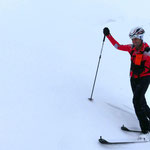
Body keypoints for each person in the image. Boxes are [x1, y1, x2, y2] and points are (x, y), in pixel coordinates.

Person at [103, 27, 150, 140]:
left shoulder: (147, 51)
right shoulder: (131, 48)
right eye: (132, 39)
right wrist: (108, 35)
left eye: (135, 39)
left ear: (140, 38)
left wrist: (142, 69)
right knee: (141, 101)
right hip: (133, 79)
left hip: (144, 78)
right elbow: (117, 46)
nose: (133, 41)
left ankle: (145, 130)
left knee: (136, 101)